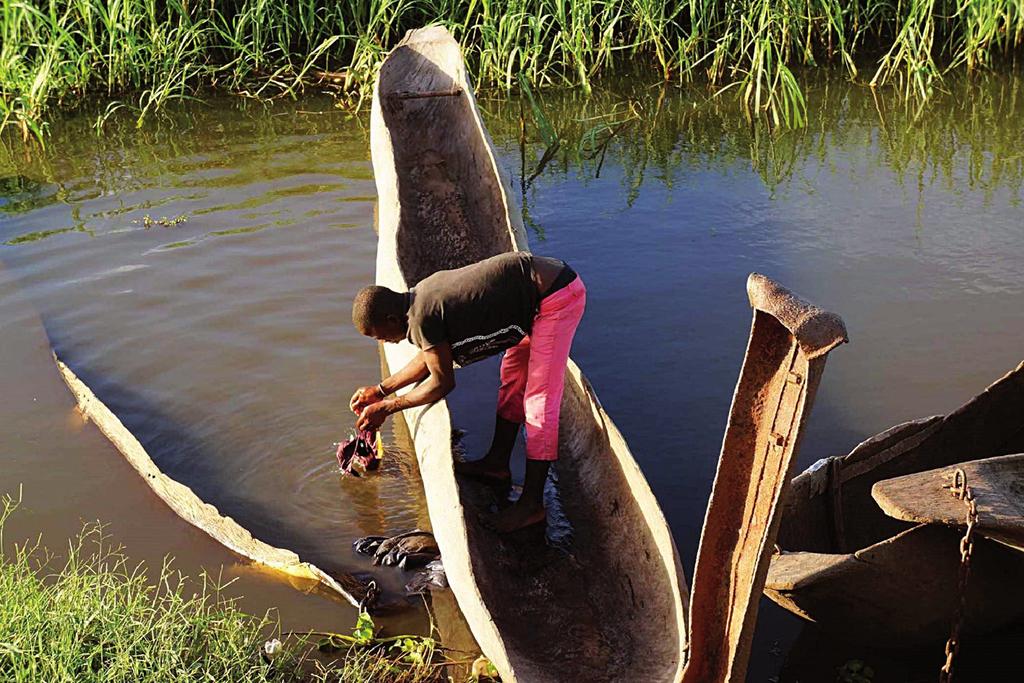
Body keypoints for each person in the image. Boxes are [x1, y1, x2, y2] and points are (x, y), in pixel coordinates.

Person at [349, 251, 586, 533]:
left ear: (390, 318)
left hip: (555, 296)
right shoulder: (416, 303)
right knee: (512, 380)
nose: (385, 341)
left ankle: (532, 505)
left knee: (538, 401)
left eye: (380, 336)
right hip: (530, 297)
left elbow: (442, 382)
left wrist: (387, 408)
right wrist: (380, 390)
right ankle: (497, 463)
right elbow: (431, 357)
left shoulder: (422, 316)